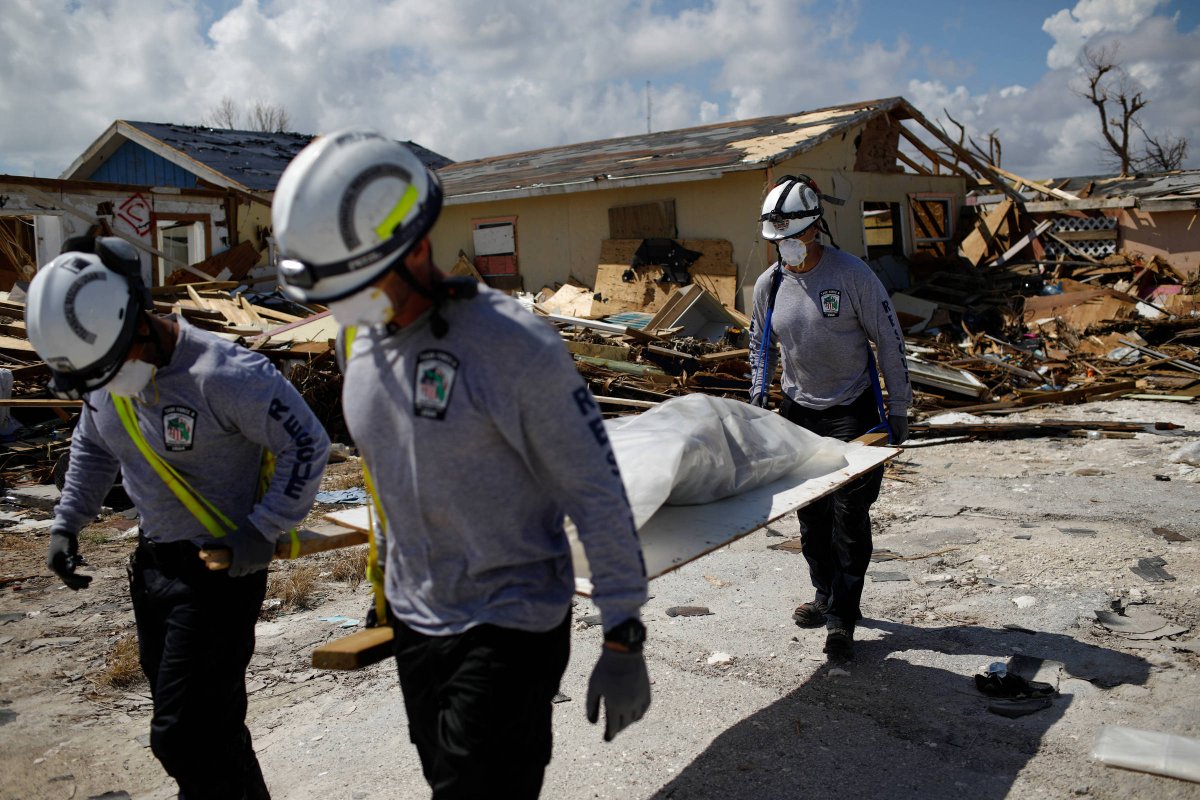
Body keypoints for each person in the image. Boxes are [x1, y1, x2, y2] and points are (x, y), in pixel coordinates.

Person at [270, 130, 651, 799]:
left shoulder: (513, 348)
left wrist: (623, 632)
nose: (340, 308)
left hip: (510, 619)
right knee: (445, 778)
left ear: (417, 247)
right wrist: (384, 589)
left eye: (356, 285)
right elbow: (390, 475)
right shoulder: (357, 336)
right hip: (418, 617)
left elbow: (594, 490)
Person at [28, 236, 330, 799]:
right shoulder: (102, 371)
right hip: (154, 568)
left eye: (110, 367)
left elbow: (307, 445)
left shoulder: (226, 375)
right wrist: (67, 523)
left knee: (181, 737)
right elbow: (93, 448)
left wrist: (262, 529)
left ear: (139, 321)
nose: (103, 385)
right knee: (211, 732)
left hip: (220, 570)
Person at [749, 174, 912, 660]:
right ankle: (824, 595)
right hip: (799, 413)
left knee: (849, 517)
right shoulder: (770, 283)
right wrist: (758, 398)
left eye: (793, 237)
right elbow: (760, 346)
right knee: (811, 517)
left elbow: (889, 342)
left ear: (815, 227)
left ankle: (843, 618)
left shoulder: (853, 276)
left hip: (855, 413)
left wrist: (900, 409)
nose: (786, 248)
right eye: (777, 240)